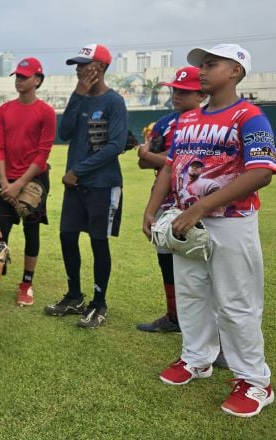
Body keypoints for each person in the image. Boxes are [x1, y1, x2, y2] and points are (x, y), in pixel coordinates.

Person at [143, 44, 274, 418]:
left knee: (236, 302)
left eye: (211, 64)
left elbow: (261, 172)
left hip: (231, 222)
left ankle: (255, 381)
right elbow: (170, 168)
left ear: (235, 71)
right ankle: (196, 359)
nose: (202, 69)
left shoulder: (249, 116)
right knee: (192, 295)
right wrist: (153, 209)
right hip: (187, 221)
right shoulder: (187, 120)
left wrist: (200, 206)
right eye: (202, 64)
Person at [46, 44, 127, 329]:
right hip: (75, 186)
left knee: (98, 242)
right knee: (68, 237)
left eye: (84, 64)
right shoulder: (79, 97)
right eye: (77, 65)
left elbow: (116, 145)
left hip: (102, 185)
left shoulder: (114, 102)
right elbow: (65, 132)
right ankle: (74, 297)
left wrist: (77, 171)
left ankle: (99, 303)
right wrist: (78, 94)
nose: (79, 70)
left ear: (101, 67)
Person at [136, 67, 206, 333]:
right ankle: (174, 316)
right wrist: (162, 158)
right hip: (165, 198)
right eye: (175, 89)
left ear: (200, 93)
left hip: (196, 200)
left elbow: (182, 162)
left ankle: (206, 327)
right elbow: (144, 162)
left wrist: (162, 157)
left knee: (201, 263)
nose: (176, 94)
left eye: (184, 90)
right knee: (165, 256)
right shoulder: (165, 122)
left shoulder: (207, 120)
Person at [0, 58, 56, 307]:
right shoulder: (5, 110)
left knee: (32, 231)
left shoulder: (46, 112)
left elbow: (43, 155)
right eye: (17, 75)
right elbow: (0, 148)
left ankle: (27, 284)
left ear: (37, 80)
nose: (19, 79)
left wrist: (19, 184)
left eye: (24, 76)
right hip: (8, 181)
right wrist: (5, 181)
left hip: (34, 180)